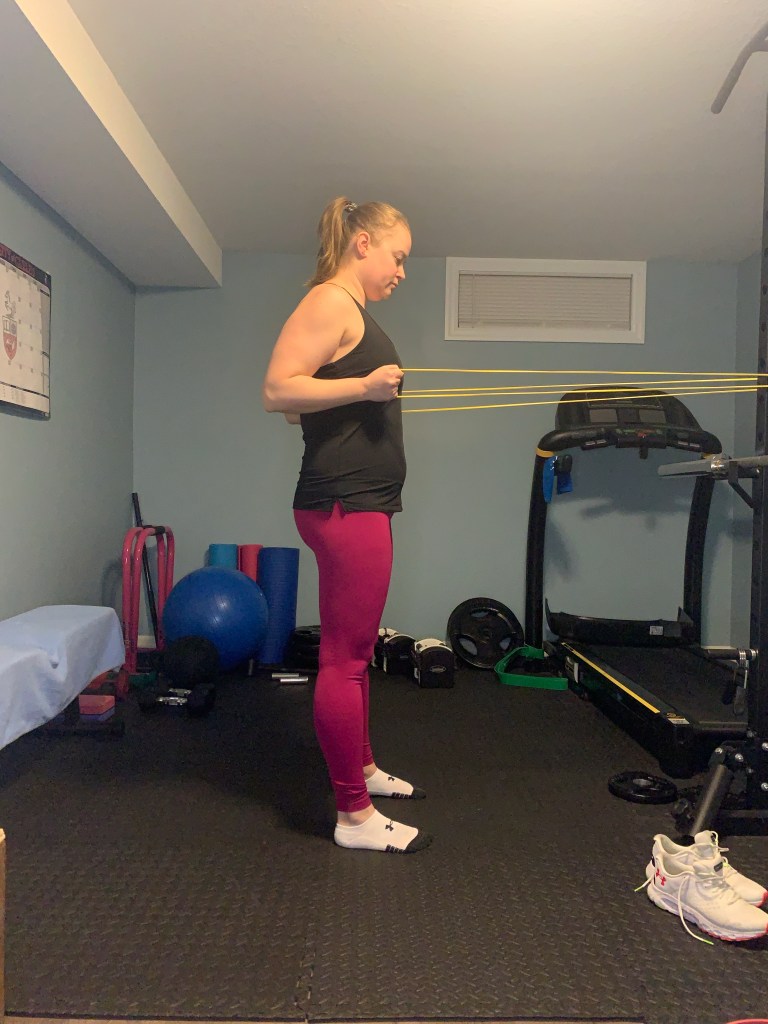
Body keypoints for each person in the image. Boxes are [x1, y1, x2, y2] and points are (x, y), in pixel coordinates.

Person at [262, 196, 432, 854]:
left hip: (355, 501)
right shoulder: (330, 301)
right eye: (398, 256)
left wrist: (352, 391)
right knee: (346, 660)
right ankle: (354, 816)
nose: (402, 271)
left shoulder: (347, 312)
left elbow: (298, 406)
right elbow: (277, 390)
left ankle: (362, 769)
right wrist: (364, 388)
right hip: (345, 503)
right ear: (363, 243)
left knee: (354, 655)